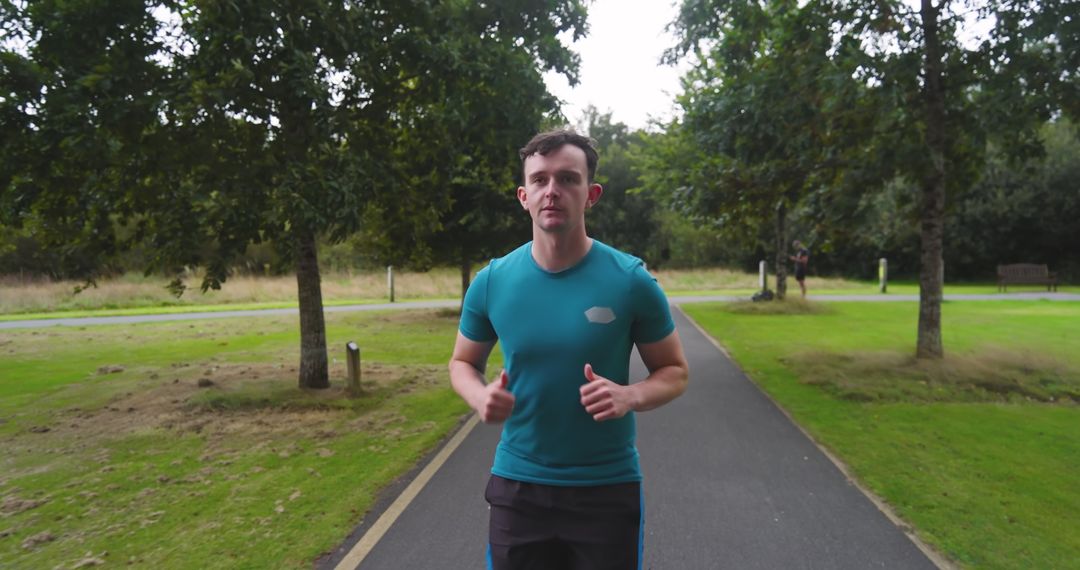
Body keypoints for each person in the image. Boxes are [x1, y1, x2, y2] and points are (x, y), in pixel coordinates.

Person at [448, 129, 690, 570]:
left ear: (591, 193)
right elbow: (463, 362)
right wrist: (479, 395)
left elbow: (674, 371)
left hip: (606, 489)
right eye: (540, 180)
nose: (552, 191)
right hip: (518, 487)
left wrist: (629, 395)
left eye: (567, 179)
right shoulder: (492, 281)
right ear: (524, 196)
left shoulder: (630, 280)